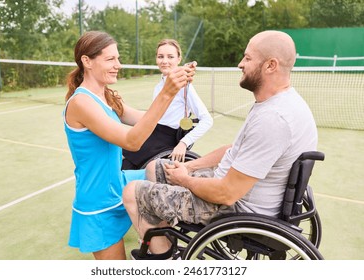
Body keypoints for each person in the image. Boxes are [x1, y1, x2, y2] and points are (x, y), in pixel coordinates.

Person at [122, 30, 318, 259]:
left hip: (234, 208)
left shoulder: (274, 118)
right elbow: (232, 150)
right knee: (154, 168)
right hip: (234, 191)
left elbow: (227, 194)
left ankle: (164, 258)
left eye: (248, 58)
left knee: (132, 192)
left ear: (270, 65)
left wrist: (185, 180)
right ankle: (163, 235)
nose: (240, 64)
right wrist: (190, 168)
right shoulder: (278, 103)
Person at [63, 31, 195, 260]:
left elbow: (146, 121)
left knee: (169, 175)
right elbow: (132, 141)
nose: (118, 65)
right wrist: (167, 92)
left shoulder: (108, 96)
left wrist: (175, 91)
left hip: (119, 182)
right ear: (87, 61)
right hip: (98, 200)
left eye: (118, 58)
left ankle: (163, 254)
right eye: (110, 59)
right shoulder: (81, 103)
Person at [122, 39, 213, 169]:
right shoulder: (159, 86)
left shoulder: (184, 86)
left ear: (179, 59)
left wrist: (183, 143)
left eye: (170, 57)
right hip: (152, 134)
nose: (164, 61)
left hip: (166, 140)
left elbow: (207, 120)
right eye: (160, 57)